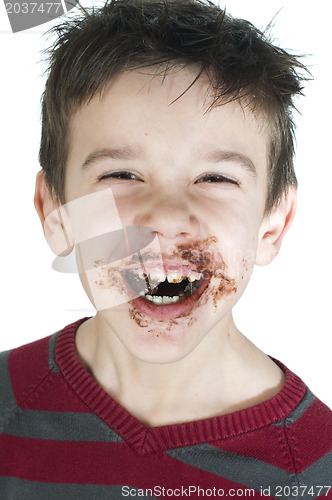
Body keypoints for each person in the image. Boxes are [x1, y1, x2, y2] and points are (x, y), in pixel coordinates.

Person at [0, 0, 331, 497]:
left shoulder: (317, 469)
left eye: (215, 177)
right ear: (56, 213)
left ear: (272, 225)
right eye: (121, 175)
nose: (167, 217)